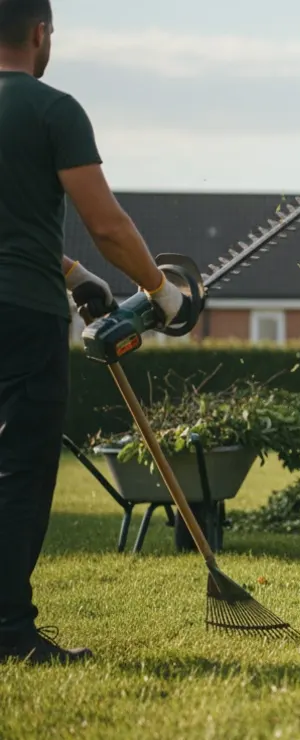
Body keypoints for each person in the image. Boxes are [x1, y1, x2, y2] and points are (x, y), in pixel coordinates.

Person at [0, 0, 184, 665]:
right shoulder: (52, 110)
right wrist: (162, 292)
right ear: (40, 33)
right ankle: (10, 634)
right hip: (18, 314)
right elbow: (107, 224)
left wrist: (72, 271)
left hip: (31, 286)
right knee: (17, 472)